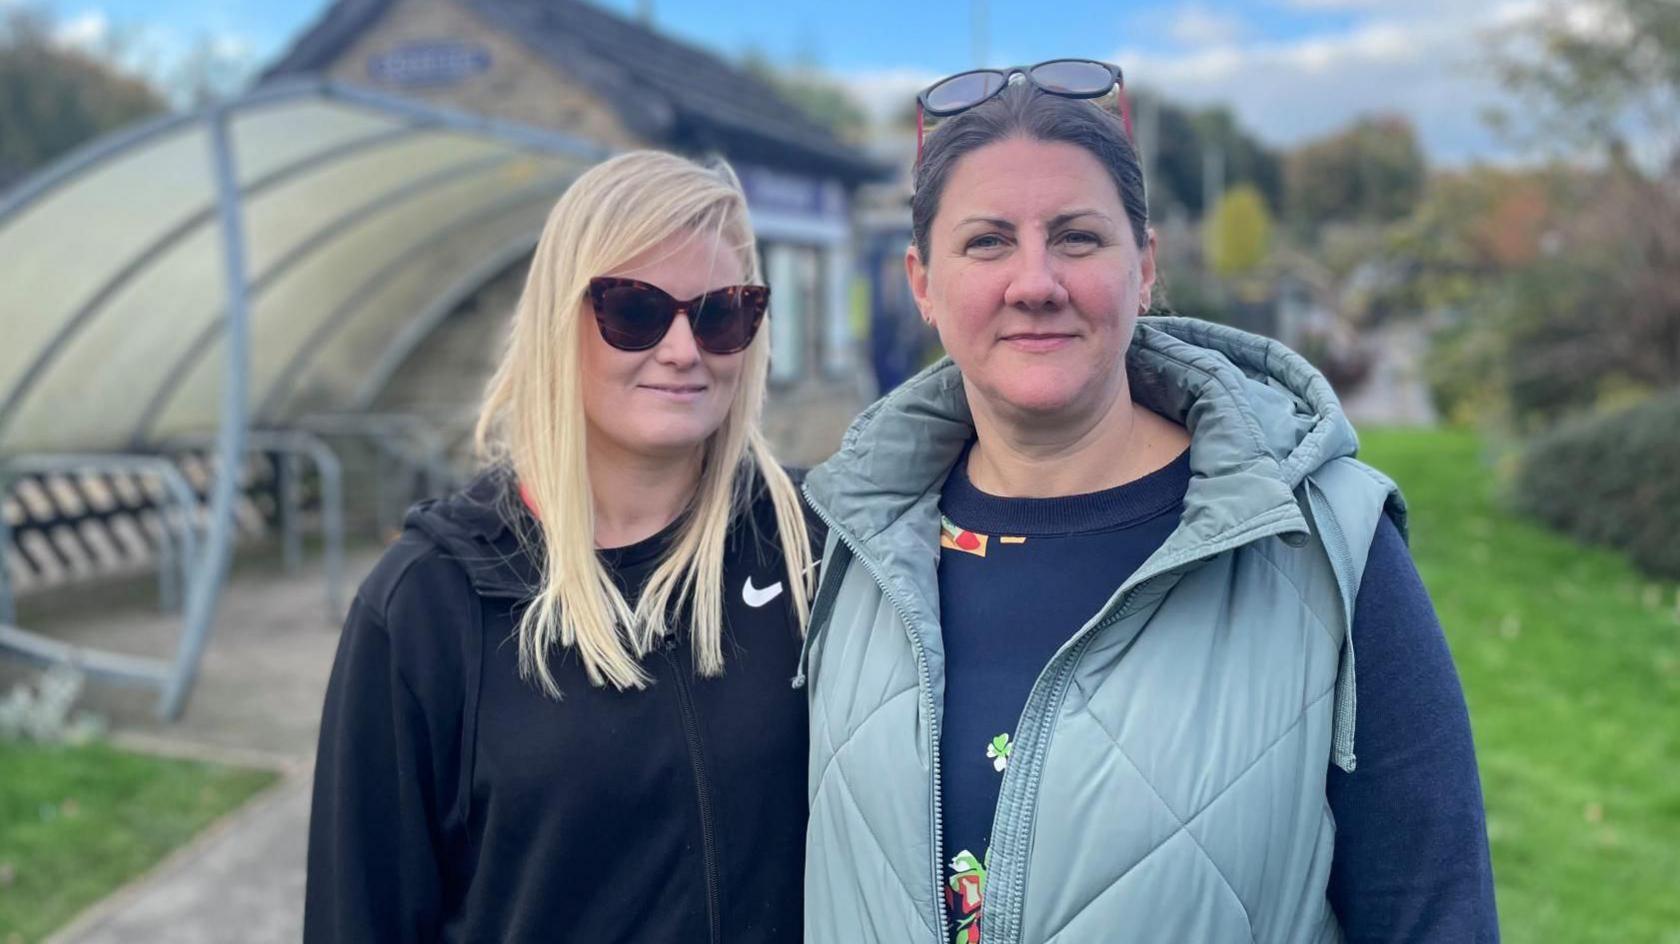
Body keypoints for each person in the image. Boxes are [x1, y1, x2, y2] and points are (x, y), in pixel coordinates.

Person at [798, 64, 1498, 943]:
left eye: (1079, 237)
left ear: (1145, 268)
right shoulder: (843, 548)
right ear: (923, 283)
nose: (1035, 280)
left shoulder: (1324, 547)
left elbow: (1435, 911)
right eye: (986, 242)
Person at [304, 150, 817, 942]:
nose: (684, 349)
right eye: (636, 310)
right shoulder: (428, 605)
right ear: (557, 320)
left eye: (720, 312)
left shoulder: (807, 548)